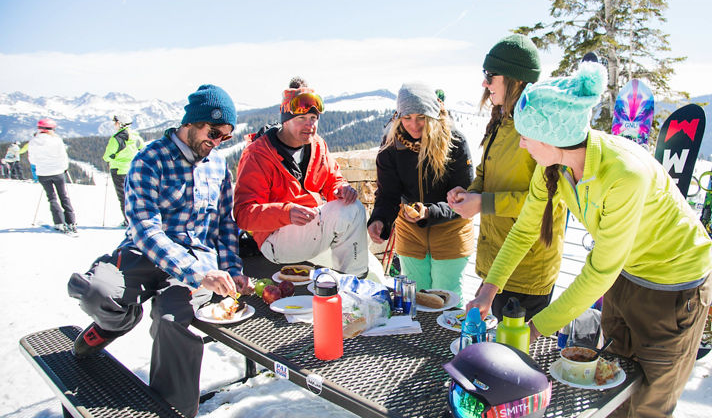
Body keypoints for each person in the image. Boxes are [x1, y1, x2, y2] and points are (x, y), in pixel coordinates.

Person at [466, 58, 712, 418]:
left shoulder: (625, 174)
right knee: (610, 391)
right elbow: (524, 230)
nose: (521, 145)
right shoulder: (554, 168)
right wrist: (489, 289)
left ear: (553, 138)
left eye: (527, 136)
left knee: (648, 406)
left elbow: (598, 272)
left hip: (673, 290)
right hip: (624, 279)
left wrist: (536, 329)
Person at [67, 85, 252, 417]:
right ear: (192, 122)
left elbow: (225, 226)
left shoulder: (218, 166)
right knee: (95, 291)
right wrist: (198, 273)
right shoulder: (149, 160)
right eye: (214, 132)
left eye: (226, 136)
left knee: (171, 320)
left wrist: (232, 269)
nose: (218, 142)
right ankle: (117, 321)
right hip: (145, 253)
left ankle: (174, 411)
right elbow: (145, 229)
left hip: (198, 259)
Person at [447, 34, 566, 321]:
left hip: (528, 269)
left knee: (516, 358)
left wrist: (483, 203)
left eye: (490, 75)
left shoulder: (541, 130)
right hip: (496, 264)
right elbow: (486, 173)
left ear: (515, 79)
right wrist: (470, 194)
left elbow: (546, 202)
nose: (484, 84)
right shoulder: (502, 121)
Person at [234, 83, 375, 278]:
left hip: (311, 229)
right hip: (276, 239)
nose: (310, 125)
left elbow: (332, 179)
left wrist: (340, 189)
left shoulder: (317, 144)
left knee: (352, 206)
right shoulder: (258, 155)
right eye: (301, 119)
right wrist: (286, 213)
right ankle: (355, 283)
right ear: (285, 121)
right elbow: (243, 214)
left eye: (313, 118)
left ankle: (352, 282)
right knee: (353, 212)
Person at [367, 82, 475, 299]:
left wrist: (429, 212)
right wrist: (379, 219)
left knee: (447, 298)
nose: (414, 125)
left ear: (432, 116)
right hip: (411, 231)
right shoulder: (391, 144)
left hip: (450, 230)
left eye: (421, 117)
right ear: (398, 116)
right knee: (416, 298)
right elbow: (388, 193)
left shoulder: (454, 141)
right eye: (407, 118)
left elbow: (465, 200)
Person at [27, 119, 78, 233]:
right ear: (52, 129)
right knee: (64, 196)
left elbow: (32, 160)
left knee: (52, 198)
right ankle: (71, 222)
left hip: (43, 173)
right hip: (58, 171)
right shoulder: (56, 140)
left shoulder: (33, 142)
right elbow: (63, 156)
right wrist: (64, 168)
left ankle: (59, 222)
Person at [103, 113, 145, 225]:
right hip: (133, 170)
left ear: (120, 124)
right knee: (135, 195)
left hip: (118, 170)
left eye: (115, 122)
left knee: (123, 197)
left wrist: (111, 158)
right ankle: (138, 218)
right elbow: (143, 149)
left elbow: (107, 155)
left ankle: (128, 221)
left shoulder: (116, 139)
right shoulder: (136, 137)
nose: (114, 124)